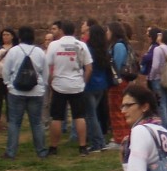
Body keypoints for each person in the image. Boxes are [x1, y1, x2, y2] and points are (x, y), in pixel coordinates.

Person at [45, 20, 93, 156]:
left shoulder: (54, 45)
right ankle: (83, 146)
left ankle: (53, 147)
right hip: (77, 85)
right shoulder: (81, 45)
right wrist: (84, 82)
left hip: (59, 84)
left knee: (57, 117)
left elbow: (47, 65)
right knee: (79, 116)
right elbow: (89, 68)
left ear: (62, 31)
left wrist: (50, 81)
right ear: (74, 31)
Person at [1, 26, 49, 160]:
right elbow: (45, 73)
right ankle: (41, 151)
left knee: (14, 123)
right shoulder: (39, 52)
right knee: (37, 123)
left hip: (16, 92)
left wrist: (9, 85)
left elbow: (6, 71)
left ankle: (11, 152)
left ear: (19, 37)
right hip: (36, 92)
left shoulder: (13, 51)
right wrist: (42, 87)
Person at [83, 24, 111, 152]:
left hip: (90, 84)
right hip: (102, 84)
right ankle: (99, 140)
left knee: (91, 115)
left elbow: (87, 67)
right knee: (94, 114)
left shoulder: (88, 49)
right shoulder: (104, 49)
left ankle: (98, 143)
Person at [105, 21, 133, 149]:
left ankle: (120, 139)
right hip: (119, 81)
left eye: (108, 31)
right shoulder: (120, 44)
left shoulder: (118, 46)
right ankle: (122, 136)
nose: (106, 33)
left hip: (118, 82)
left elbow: (117, 64)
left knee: (117, 109)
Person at [149, 29, 167, 135]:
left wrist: (151, 76)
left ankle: (163, 129)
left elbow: (155, 66)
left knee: (161, 104)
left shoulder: (158, 49)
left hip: (158, 78)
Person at [0, 27, 17, 130]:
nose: (5, 37)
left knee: (9, 100)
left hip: (10, 78)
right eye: (3, 35)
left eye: (7, 34)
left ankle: (9, 121)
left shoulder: (16, 48)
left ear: (12, 36)